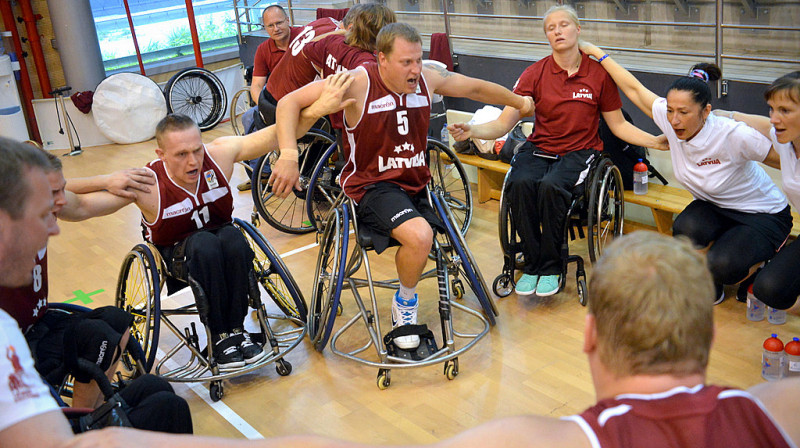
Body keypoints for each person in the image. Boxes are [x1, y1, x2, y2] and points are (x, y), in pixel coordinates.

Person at [59, 232, 800, 447]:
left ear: (589, 335)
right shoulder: (779, 410)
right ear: (708, 328)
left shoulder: (536, 438)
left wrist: (107, 439)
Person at [55, 73, 354, 368]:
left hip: (224, 244)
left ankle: (236, 330)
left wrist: (320, 108)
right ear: (161, 154)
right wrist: (103, 179)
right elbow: (78, 207)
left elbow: (278, 132)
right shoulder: (147, 183)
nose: (193, 161)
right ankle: (219, 335)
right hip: (177, 258)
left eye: (196, 150)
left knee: (232, 238)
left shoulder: (219, 154)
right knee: (204, 245)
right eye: (181, 154)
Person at [273, 23, 535, 350]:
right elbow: (287, 104)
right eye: (405, 63)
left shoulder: (427, 79)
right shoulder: (356, 82)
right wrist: (287, 155)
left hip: (415, 185)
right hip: (372, 188)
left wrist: (519, 102)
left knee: (423, 231)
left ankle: (408, 286)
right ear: (381, 59)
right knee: (421, 235)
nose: (415, 70)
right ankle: (405, 305)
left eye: (418, 60)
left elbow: (477, 90)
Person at [449, 5, 666, 298]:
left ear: (578, 30)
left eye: (564, 25)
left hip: (581, 151)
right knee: (520, 182)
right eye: (551, 28)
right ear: (547, 37)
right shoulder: (534, 73)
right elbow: (503, 124)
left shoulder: (598, 75)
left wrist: (653, 141)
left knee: (552, 187)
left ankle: (551, 267)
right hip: (540, 148)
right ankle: (532, 264)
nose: (557, 31)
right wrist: (473, 131)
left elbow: (617, 125)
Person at [580, 41, 792, 304]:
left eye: (683, 112)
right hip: (716, 206)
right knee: (685, 227)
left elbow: (784, 159)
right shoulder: (670, 121)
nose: (674, 120)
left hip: (763, 214)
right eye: (670, 111)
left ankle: (756, 266)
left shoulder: (732, 135)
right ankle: (710, 283)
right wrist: (598, 54)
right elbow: (634, 89)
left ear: (706, 112)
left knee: (725, 264)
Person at [0, 150, 192, 433]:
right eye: (47, 210)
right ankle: (83, 426)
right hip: (23, 343)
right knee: (102, 340)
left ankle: (94, 414)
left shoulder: (41, 205)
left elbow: (83, 204)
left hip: (39, 322)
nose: (54, 226)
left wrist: (153, 191)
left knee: (119, 325)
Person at [713, 72, 800, 310]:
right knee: (768, 290)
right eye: (772, 109)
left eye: (784, 111)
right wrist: (728, 115)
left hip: (773, 216)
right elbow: (763, 125)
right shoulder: (788, 142)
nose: (774, 118)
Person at [239, 4, 303, 191]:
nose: (276, 29)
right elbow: (257, 86)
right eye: (270, 26)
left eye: (279, 23)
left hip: (306, 100)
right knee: (249, 117)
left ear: (288, 21)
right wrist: (266, 107)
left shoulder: (304, 38)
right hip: (276, 103)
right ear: (265, 28)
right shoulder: (263, 50)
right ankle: (263, 174)